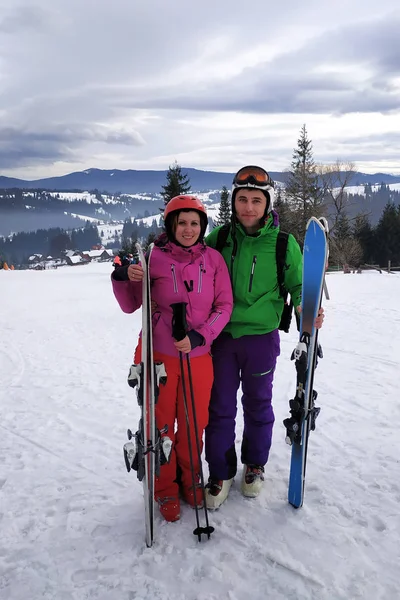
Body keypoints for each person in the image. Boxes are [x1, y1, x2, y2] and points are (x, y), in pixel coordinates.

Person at [204, 165, 325, 509]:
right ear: (234, 202)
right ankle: (220, 471)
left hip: (261, 339)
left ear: (267, 203)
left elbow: (300, 287)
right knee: (220, 408)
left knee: (257, 405)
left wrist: (307, 309)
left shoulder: (283, 244)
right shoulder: (221, 240)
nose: (248, 207)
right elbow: (195, 263)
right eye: (242, 199)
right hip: (222, 339)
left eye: (256, 200)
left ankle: (254, 465)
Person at [112, 195, 233, 522]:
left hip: (198, 355)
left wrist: (200, 335)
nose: (189, 229)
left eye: (195, 223)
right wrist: (123, 278)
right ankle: (164, 487)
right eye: (182, 222)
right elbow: (131, 304)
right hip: (159, 355)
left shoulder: (214, 261)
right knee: (161, 422)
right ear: (171, 225)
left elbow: (224, 307)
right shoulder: (154, 259)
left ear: (202, 226)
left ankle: (190, 478)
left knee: (195, 423)